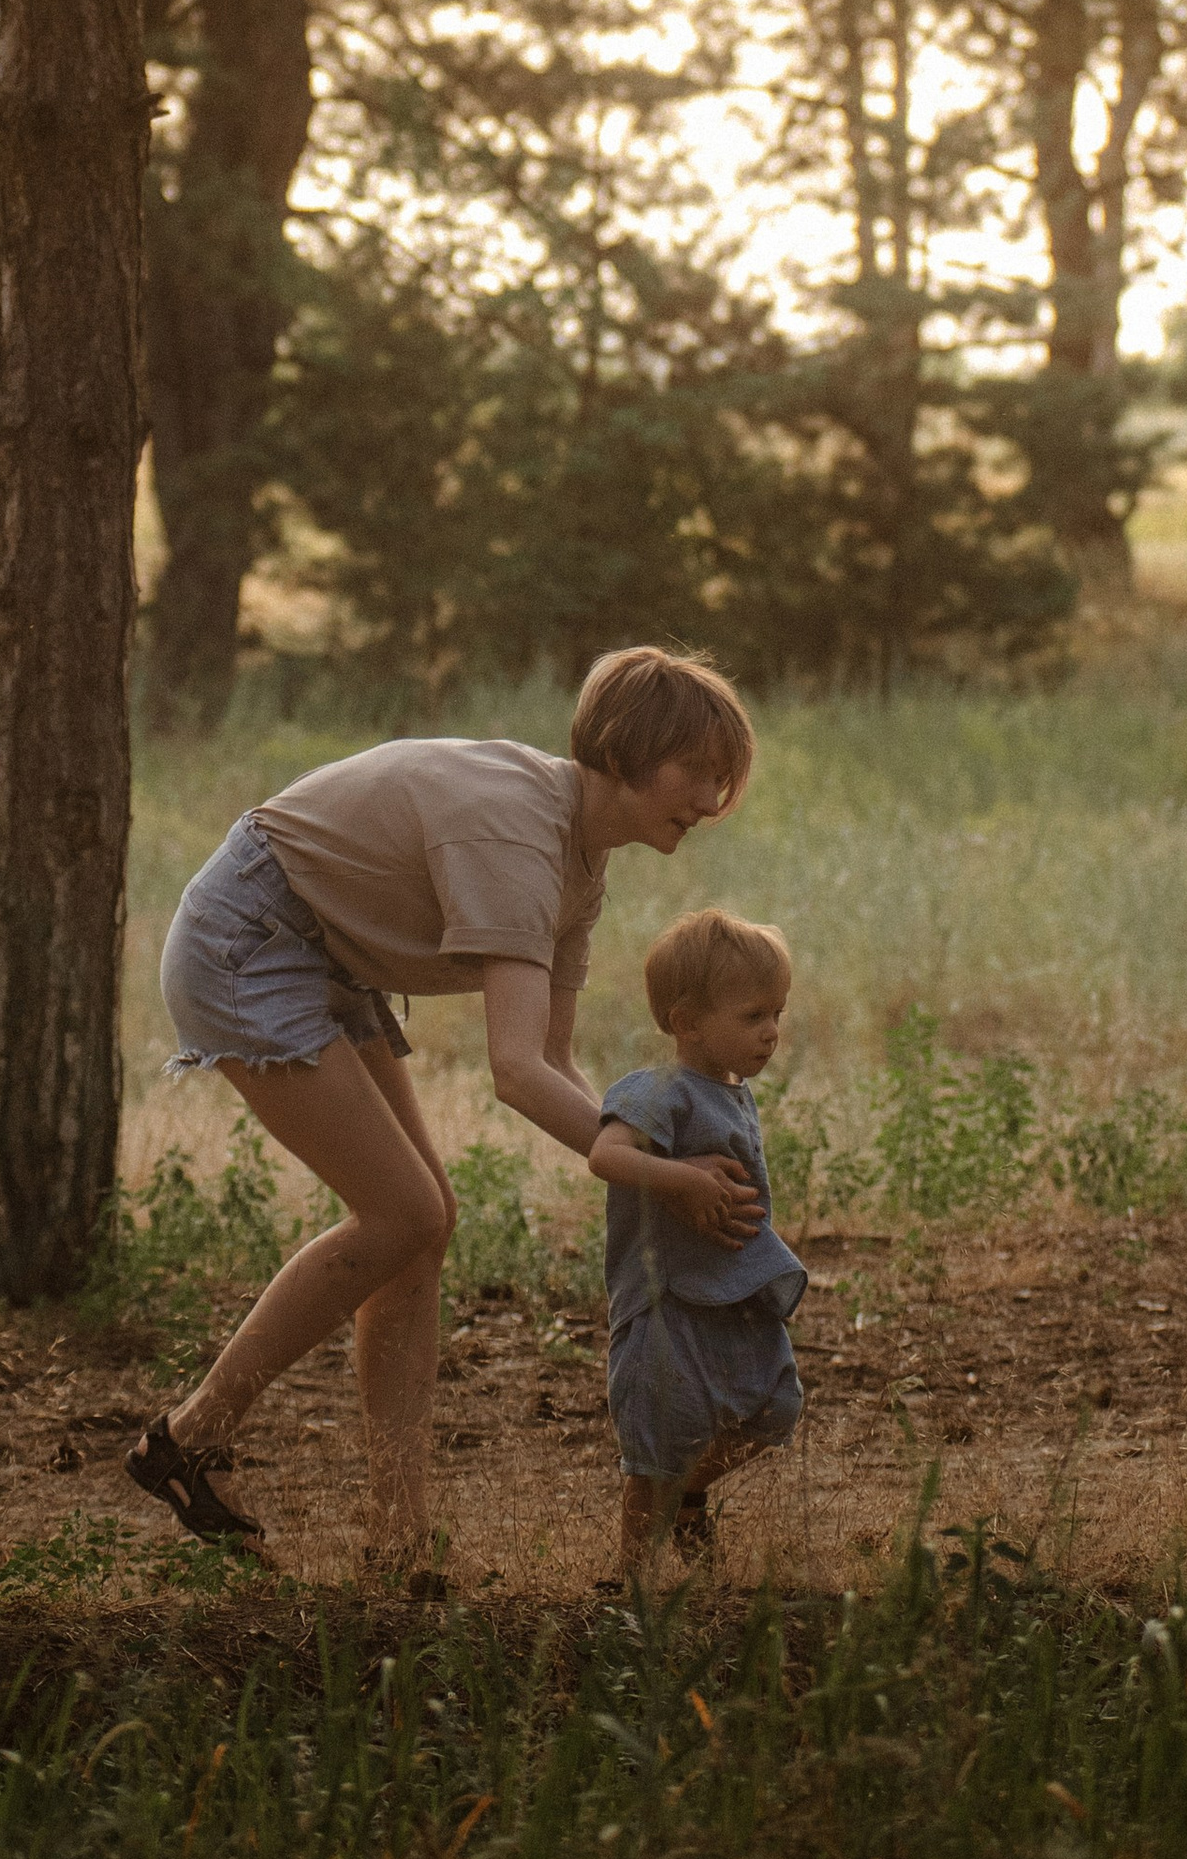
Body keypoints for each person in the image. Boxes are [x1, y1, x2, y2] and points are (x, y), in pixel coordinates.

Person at [131, 646, 764, 1560]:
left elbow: (553, 1055)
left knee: (422, 1223)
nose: (710, 800)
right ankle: (188, 1438)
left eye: (722, 779)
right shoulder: (517, 834)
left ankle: (398, 1531)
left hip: (325, 948)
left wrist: (646, 1168)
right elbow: (514, 1071)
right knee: (402, 1211)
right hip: (250, 935)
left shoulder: (580, 860)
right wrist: (662, 1174)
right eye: (696, 772)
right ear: (625, 751)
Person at [588, 906, 806, 1573]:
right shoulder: (660, 1090)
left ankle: (688, 1494)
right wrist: (679, 1179)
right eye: (752, 1016)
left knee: (774, 1404)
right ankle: (629, 1579)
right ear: (687, 1023)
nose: (771, 1032)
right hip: (668, 1301)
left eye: (777, 1013)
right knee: (656, 1439)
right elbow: (606, 1155)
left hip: (730, 1295)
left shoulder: (734, 1093)